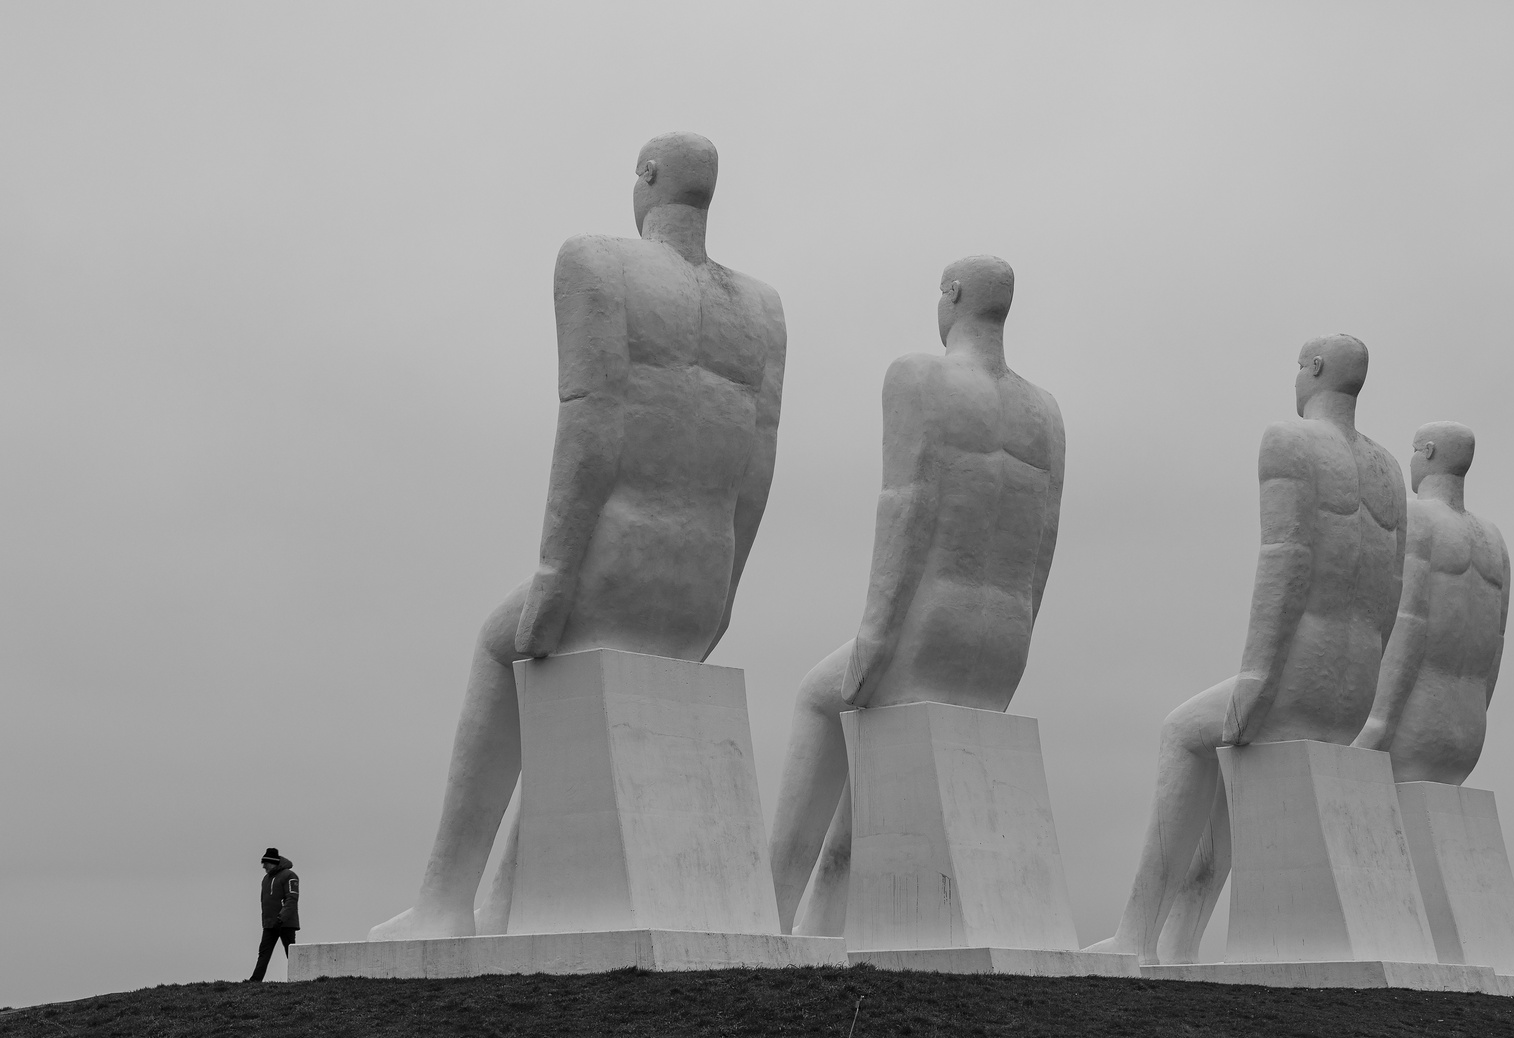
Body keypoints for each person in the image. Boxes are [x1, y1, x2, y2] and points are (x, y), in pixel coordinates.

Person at [371, 132, 787, 941]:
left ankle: (445, 901)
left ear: (647, 180)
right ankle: (505, 901)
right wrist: (725, 592)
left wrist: (557, 569)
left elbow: (590, 424)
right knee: (570, 697)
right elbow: (757, 466)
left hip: (615, 561)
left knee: (504, 646)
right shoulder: (762, 311)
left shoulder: (598, 263)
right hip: (698, 582)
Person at [769, 255, 1065, 936]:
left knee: (822, 698)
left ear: (953, 297)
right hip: (1001, 641)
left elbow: (905, 509)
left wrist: (875, 635)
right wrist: (1013, 644)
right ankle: (821, 921)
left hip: (927, 630)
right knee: (872, 738)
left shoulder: (918, 378)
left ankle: (771, 910)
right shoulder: (1043, 413)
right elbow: (1041, 543)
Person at [1086, 334, 1406, 964]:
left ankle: (1136, 933)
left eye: (1298, 367)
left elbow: (1284, 563)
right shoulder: (1390, 471)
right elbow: (1391, 592)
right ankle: (1178, 941)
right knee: (1232, 766)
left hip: (1295, 681)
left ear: (1314, 370)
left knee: (1183, 733)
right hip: (1350, 690)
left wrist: (1258, 675)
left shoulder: (1289, 443)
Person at [1352, 422, 1509, 782]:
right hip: (1467, 735)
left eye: (1413, 450)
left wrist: (1377, 722)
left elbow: (1408, 627)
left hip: (1412, 723)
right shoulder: (1495, 542)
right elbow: (1493, 653)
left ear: (1429, 452)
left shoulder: (1418, 518)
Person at [249, 847, 299, 982]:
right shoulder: (266, 879)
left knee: (291, 953)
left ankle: (299, 978)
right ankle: (255, 980)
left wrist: (281, 918)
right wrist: (267, 921)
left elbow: (291, 899)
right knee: (264, 952)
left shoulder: (290, 875)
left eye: (265, 863)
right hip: (270, 924)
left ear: (273, 862)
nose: (264, 866)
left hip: (286, 923)